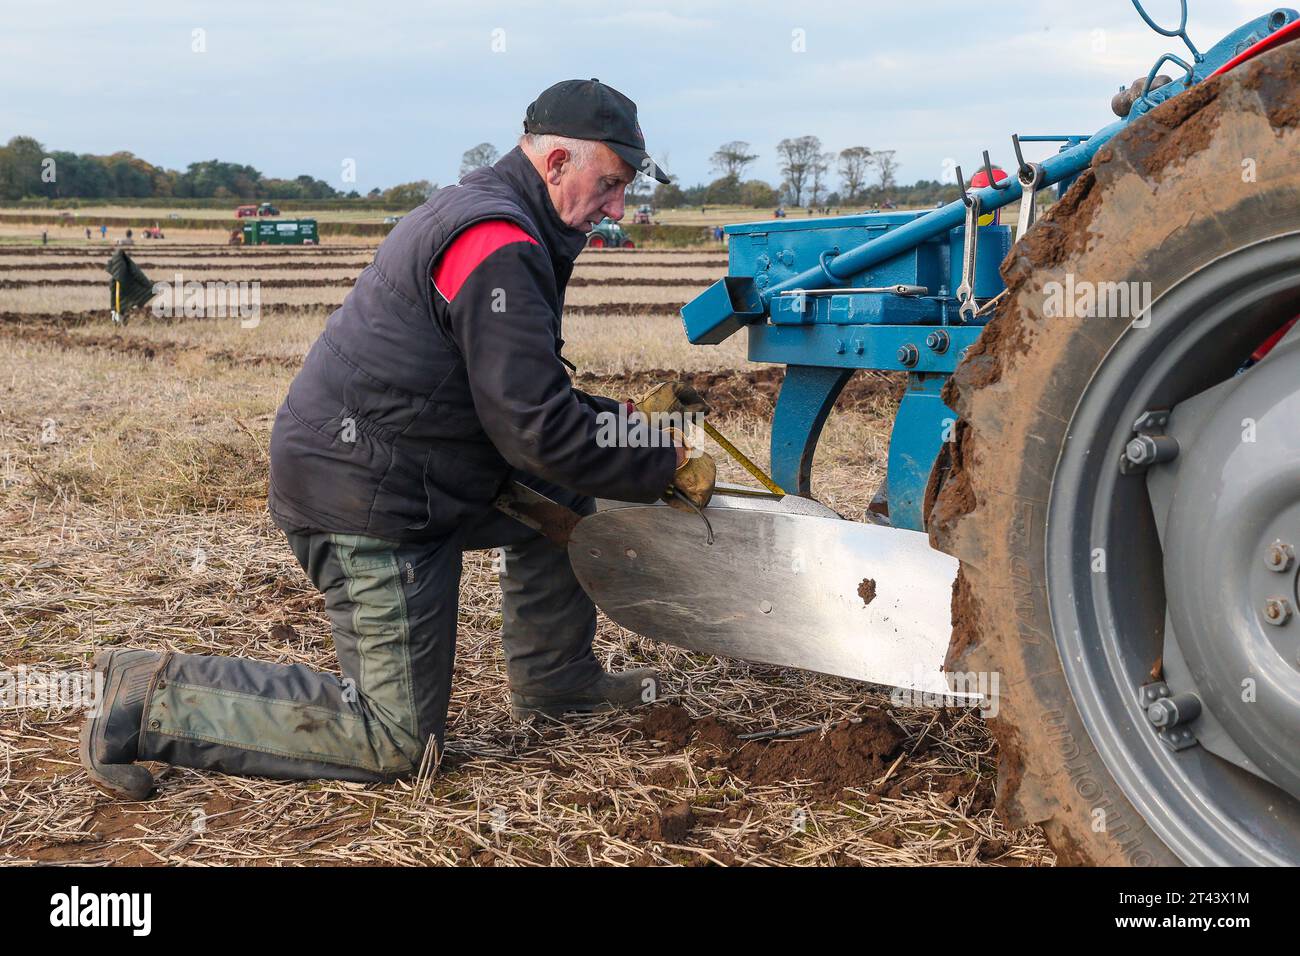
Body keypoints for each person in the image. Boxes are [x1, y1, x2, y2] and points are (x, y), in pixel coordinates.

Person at [80, 79, 718, 800]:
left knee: (562, 488)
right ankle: (147, 695)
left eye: (625, 188)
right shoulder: (499, 243)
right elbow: (537, 428)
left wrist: (625, 425)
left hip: (416, 464)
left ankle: (556, 683)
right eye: (609, 184)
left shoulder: (498, 214)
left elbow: (524, 397)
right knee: (395, 740)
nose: (616, 208)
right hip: (370, 500)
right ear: (556, 162)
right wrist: (661, 456)